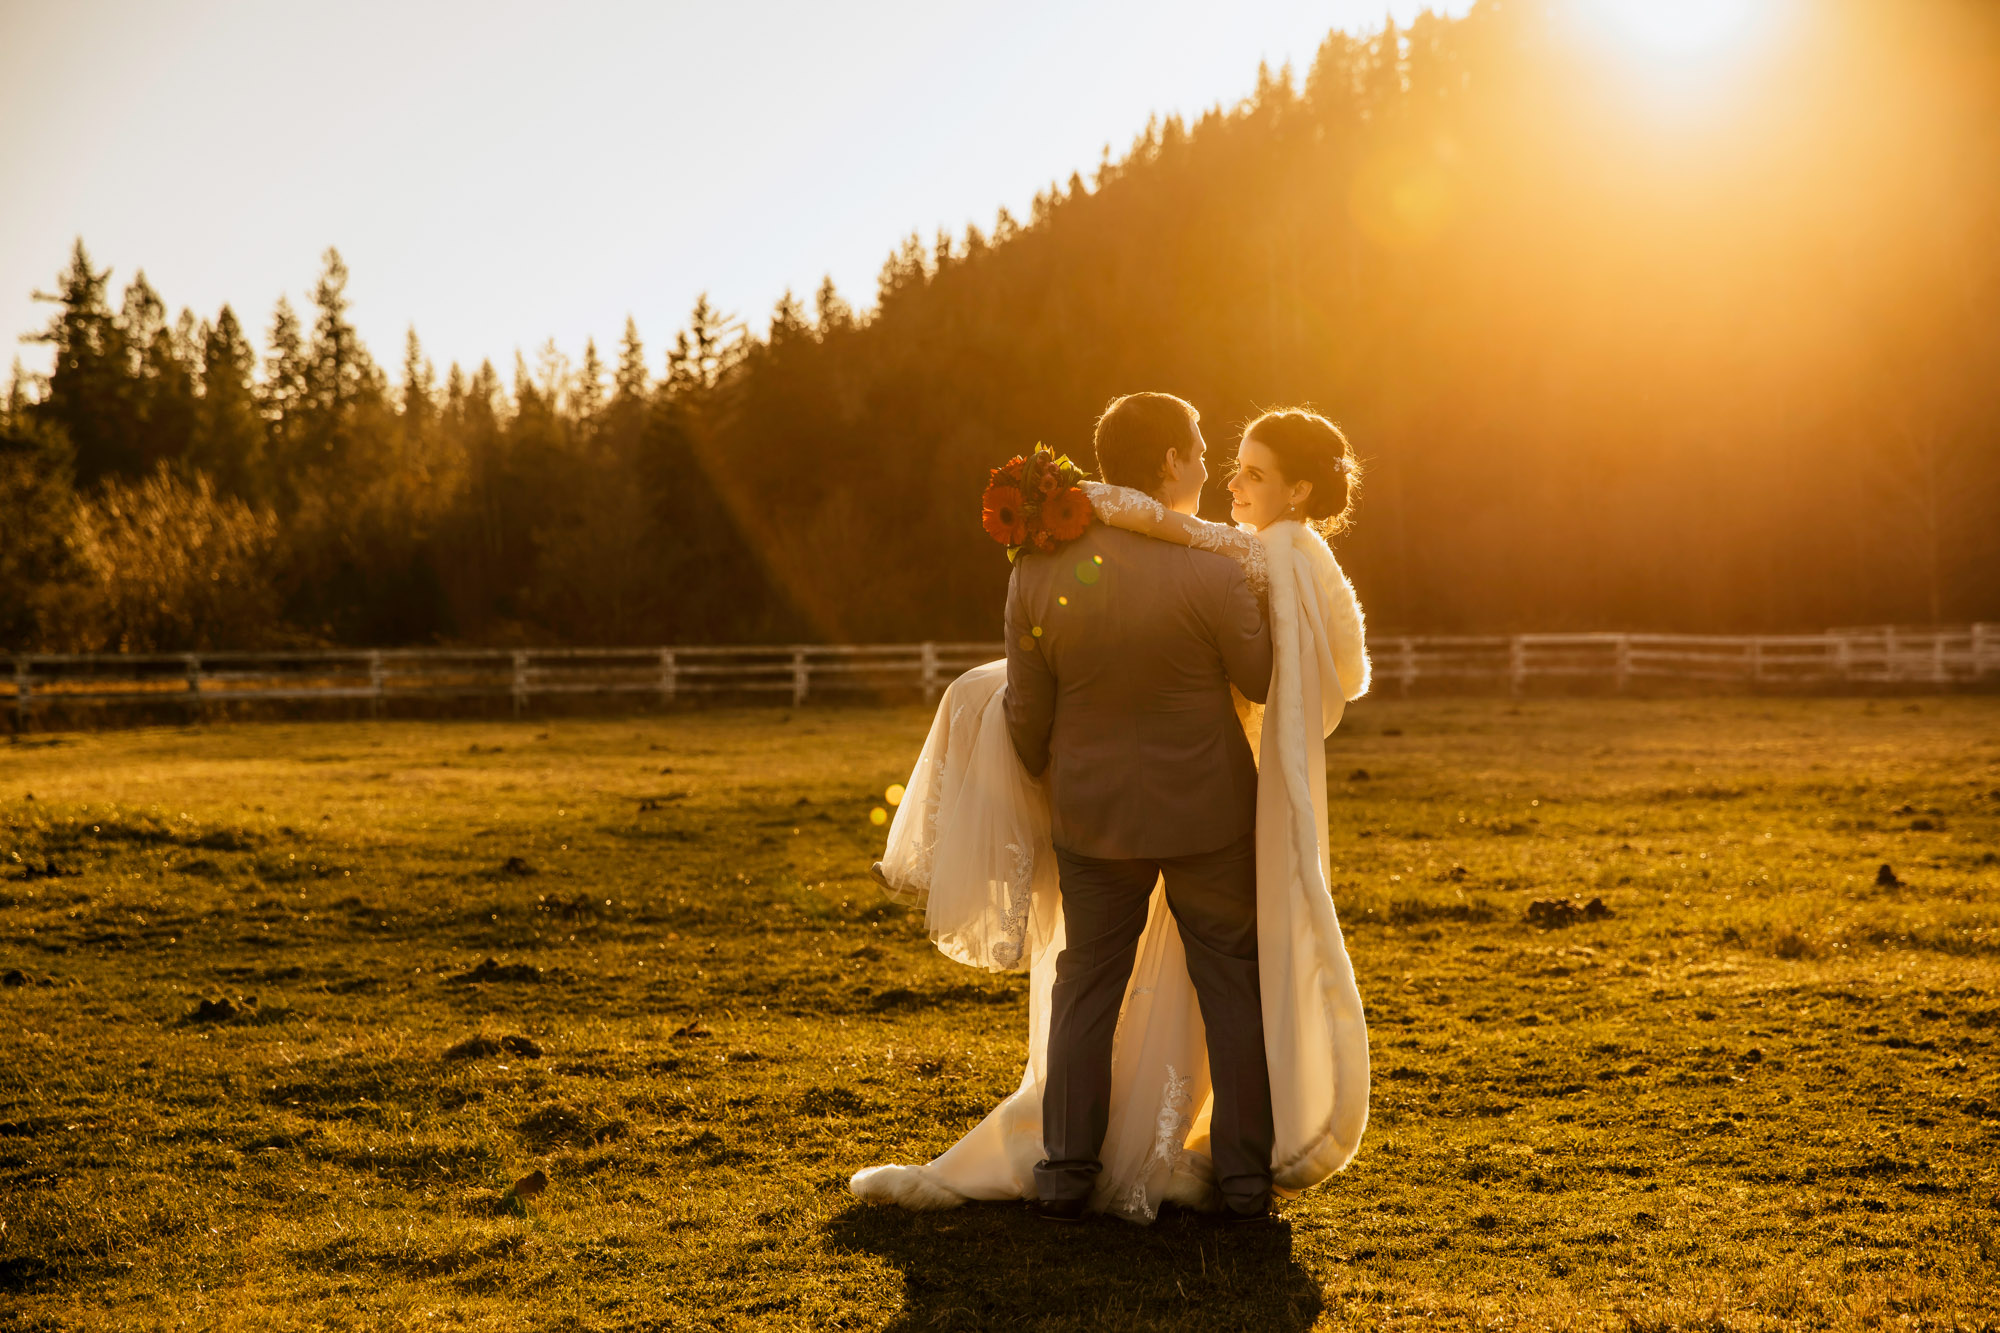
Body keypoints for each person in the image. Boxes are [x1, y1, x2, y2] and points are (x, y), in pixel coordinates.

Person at [854, 398, 1372, 1223]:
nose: (1210, 467)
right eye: (1202, 451)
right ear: (1170, 460)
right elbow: (1266, 682)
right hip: (1207, 814)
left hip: (1094, 819)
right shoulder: (1220, 569)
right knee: (1230, 988)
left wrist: (1051, 775)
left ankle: (1064, 1169)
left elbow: (1027, 720)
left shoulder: (1037, 569)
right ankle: (1242, 1179)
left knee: (1085, 988)